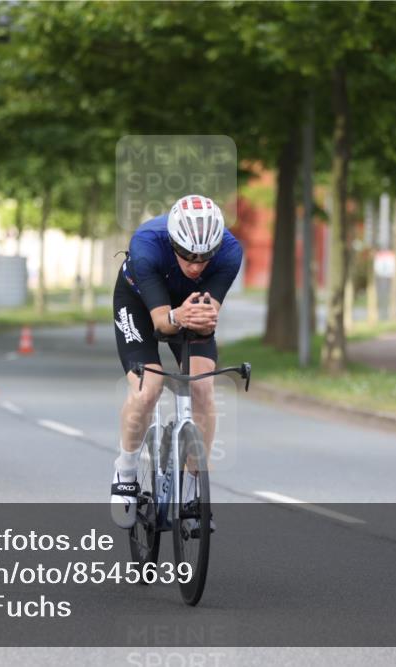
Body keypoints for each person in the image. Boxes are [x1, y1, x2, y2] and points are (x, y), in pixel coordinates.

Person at [110, 194, 243, 528]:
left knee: (203, 390)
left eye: (204, 258)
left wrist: (201, 317)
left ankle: (194, 490)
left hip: (189, 307)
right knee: (148, 387)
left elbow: (207, 313)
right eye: (186, 255)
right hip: (141, 306)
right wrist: (179, 315)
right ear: (172, 243)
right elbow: (161, 323)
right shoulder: (146, 245)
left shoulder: (230, 252)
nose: (196, 265)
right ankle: (125, 471)